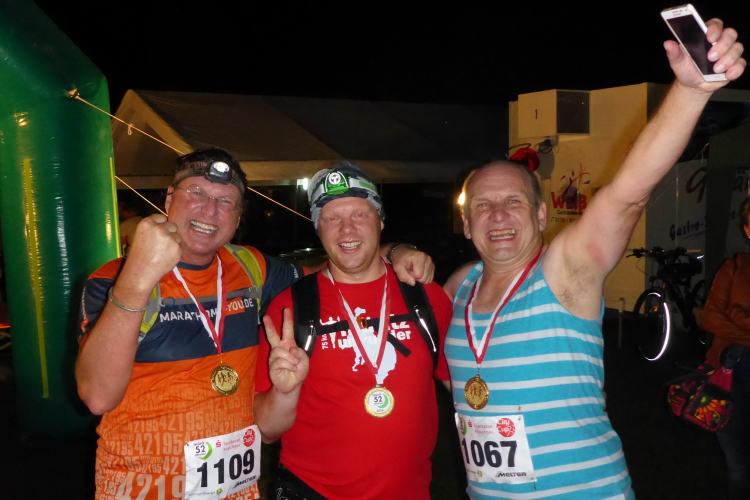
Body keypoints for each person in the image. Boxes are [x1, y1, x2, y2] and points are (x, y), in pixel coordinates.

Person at [443, 18, 746, 500]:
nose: (497, 215)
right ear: (466, 222)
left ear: (541, 216)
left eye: (514, 202)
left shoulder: (564, 269)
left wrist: (690, 92)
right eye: (482, 205)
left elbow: (626, 195)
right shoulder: (457, 288)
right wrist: (396, 251)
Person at [76, 149, 433, 500]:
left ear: (237, 216)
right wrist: (137, 277)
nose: (210, 210)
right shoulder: (113, 280)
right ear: (170, 198)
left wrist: (394, 251)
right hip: (144, 489)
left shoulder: (251, 269)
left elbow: (343, 265)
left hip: (236, 491)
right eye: (197, 193)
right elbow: (97, 396)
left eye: (225, 201)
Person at [254, 162, 453, 500]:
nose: (347, 229)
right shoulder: (290, 309)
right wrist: (286, 393)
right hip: (313, 492)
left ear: (380, 221)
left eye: (360, 214)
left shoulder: (425, 297)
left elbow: (464, 391)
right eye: (332, 218)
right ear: (318, 229)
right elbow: (267, 431)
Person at [703, 195, 750, 500]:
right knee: (738, 464)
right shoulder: (734, 267)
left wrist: (736, 315)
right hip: (728, 380)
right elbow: (710, 318)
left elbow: (723, 316)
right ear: (747, 229)